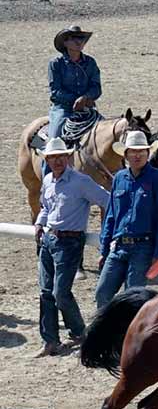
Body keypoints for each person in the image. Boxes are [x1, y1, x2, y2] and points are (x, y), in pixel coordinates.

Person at [33, 138, 110, 357]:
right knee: (46, 291)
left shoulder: (81, 182)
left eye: (60, 156)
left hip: (70, 242)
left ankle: (79, 332)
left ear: (67, 157)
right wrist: (40, 222)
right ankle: (50, 340)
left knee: (60, 293)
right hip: (49, 239)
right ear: (46, 159)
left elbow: (107, 200)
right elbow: (46, 207)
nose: (57, 160)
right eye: (52, 157)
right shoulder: (48, 180)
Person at [95, 131, 158, 308]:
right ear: (126, 154)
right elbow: (111, 216)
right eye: (133, 151)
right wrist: (104, 247)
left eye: (142, 151)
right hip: (118, 246)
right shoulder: (119, 178)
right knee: (102, 293)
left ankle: (127, 335)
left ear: (147, 153)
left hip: (143, 248)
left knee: (132, 299)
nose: (137, 155)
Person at [48, 25, 102, 140]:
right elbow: (55, 91)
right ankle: (45, 158)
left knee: (108, 134)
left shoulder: (90, 62)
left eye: (81, 39)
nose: (79, 41)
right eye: (74, 38)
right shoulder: (56, 63)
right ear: (65, 43)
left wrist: (86, 97)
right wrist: (76, 99)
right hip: (63, 108)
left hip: (87, 108)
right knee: (54, 141)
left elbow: (96, 87)